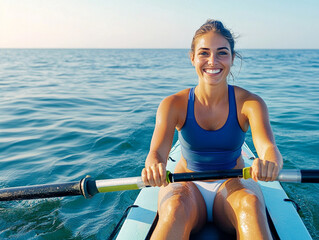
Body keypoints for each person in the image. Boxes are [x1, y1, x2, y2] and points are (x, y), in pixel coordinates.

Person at [141, 19, 283, 240]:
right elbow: (156, 154)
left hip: (234, 182)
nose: (213, 61)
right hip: (186, 186)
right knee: (175, 208)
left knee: (250, 204)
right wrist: (153, 167)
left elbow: (268, 148)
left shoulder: (251, 103)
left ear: (232, 58)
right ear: (192, 58)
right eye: (204, 53)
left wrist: (270, 163)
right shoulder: (173, 104)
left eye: (222, 53)